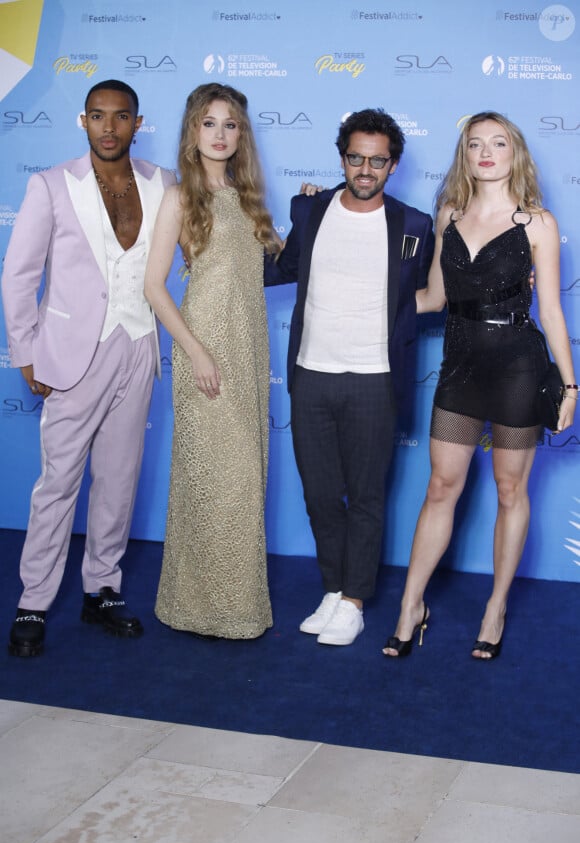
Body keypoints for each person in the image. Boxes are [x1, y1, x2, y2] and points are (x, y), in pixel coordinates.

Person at [383, 111, 577, 661]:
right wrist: (373, 302)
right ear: (464, 155)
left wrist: (570, 386)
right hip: (460, 366)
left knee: (511, 490)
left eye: (497, 143)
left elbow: (554, 313)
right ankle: (410, 606)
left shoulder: (535, 223)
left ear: (515, 152)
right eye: (475, 144)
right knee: (441, 488)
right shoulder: (449, 215)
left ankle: (496, 607)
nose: (486, 152)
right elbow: (434, 299)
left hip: (518, 367)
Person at [2, 80, 176, 657]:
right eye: (98, 116)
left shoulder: (163, 184)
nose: (108, 127)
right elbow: (20, 274)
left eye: (120, 116)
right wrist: (26, 351)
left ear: (136, 121)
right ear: (83, 121)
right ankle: (34, 599)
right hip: (73, 352)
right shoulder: (51, 184)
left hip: (139, 343)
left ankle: (101, 588)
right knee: (58, 483)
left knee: (119, 480)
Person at [265, 108, 435, 646]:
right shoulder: (310, 209)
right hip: (311, 374)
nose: (365, 169)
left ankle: (356, 601)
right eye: (356, 158)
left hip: (374, 379)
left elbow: (432, 296)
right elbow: (285, 267)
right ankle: (333, 590)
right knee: (319, 495)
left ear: (393, 165)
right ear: (343, 158)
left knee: (365, 496)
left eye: (377, 160)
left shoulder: (414, 225)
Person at [144, 83, 281, 639]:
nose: (220, 134)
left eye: (230, 125)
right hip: (206, 346)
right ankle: (200, 607)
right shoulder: (180, 197)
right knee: (212, 477)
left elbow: (279, 263)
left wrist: (316, 205)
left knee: (246, 478)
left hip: (249, 348)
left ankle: (233, 606)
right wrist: (195, 350)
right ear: (192, 131)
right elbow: (154, 288)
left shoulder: (250, 199)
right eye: (209, 123)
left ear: (241, 134)